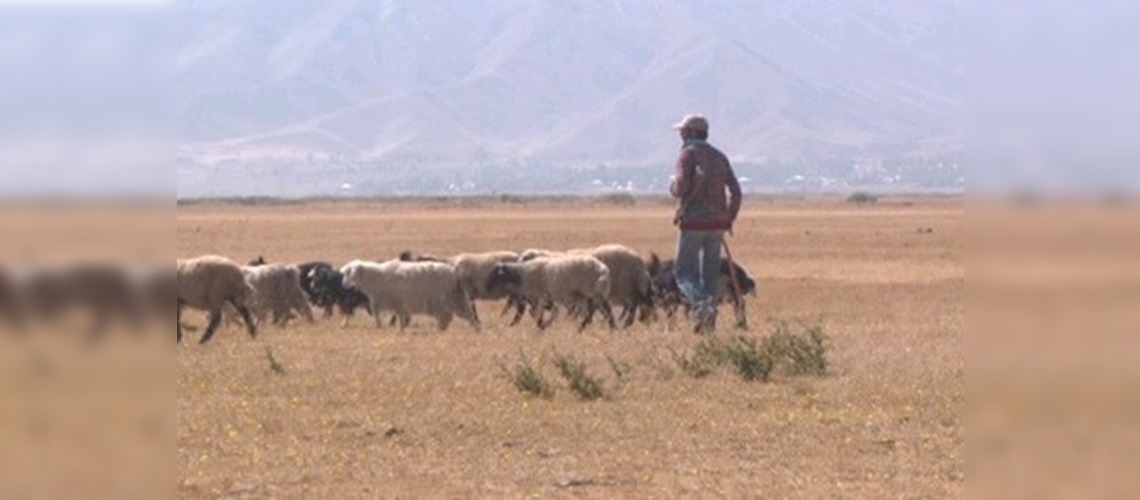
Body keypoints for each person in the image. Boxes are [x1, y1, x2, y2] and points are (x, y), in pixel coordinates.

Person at [668, 114, 742, 333]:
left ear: (690, 132)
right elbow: (736, 191)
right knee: (709, 277)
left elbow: (681, 187)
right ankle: (706, 328)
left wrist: (672, 187)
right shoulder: (719, 156)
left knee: (684, 274)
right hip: (718, 225)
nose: (680, 134)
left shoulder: (687, 155)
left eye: (682, 131)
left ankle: (703, 306)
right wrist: (729, 217)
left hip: (693, 223)